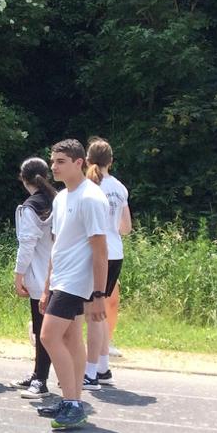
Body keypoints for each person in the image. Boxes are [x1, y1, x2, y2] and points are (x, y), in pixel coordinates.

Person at [38, 139, 110, 431]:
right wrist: (46, 286)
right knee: (70, 340)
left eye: (60, 162)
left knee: (48, 336)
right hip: (60, 279)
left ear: (79, 162)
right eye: (53, 161)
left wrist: (98, 294)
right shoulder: (61, 197)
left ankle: (72, 403)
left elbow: (100, 250)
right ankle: (74, 399)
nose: (53, 167)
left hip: (77, 282)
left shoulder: (91, 198)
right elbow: (57, 246)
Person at [84, 137, 130, 386]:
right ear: (110, 161)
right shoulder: (120, 188)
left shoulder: (88, 187)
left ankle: (90, 372)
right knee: (98, 313)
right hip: (116, 252)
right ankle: (103, 368)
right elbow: (126, 227)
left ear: (87, 161)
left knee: (91, 313)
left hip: (95, 253)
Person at [12, 157, 57, 400]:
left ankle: (41, 379)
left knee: (43, 331)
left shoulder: (29, 207)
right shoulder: (57, 199)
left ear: (23, 178)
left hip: (41, 277)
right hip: (58, 273)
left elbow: (26, 244)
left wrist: (19, 275)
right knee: (45, 330)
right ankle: (39, 374)